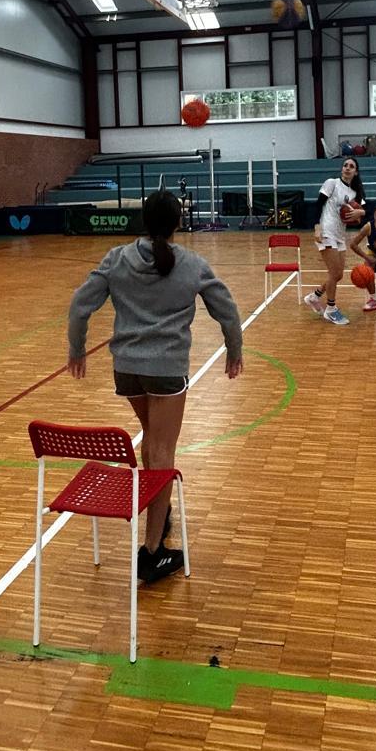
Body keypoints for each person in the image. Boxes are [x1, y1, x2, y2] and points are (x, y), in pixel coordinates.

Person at [67, 190, 243, 584]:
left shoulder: (117, 258)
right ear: (178, 223)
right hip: (165, 371)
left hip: (126, 371)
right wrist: (234, 350)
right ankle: (151, 552)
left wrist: (77, 350)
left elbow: (80, 306)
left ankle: (159, 513)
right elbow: (227, 310)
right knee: (163, 450)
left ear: (143, 221)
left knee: (152, 436)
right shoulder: (191, 264)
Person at [305, 156, 365, 326]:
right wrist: (317, 227)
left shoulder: (355, 193)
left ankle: (314, 296)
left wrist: (360, 213)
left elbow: (361, 214)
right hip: (326, 231)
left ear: (356, 172)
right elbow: (318, 205)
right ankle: (331, 309)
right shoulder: (332, 183)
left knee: (338, 275)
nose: (347, 168)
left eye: (351, 166)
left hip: (340, 234)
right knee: (334, 273)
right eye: (345, 165)